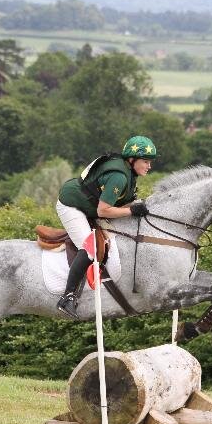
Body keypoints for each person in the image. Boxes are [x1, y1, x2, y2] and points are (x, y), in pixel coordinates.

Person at [56, 135, 157, 318]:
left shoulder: (128, 171)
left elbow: (122, 204)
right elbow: (104, 211)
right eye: (146, 161)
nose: (149, 166)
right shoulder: (119, 177)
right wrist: (132, 211)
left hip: (89, 205)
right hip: (71, 205)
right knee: (91, 248)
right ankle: (67, 297)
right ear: (132, 159)